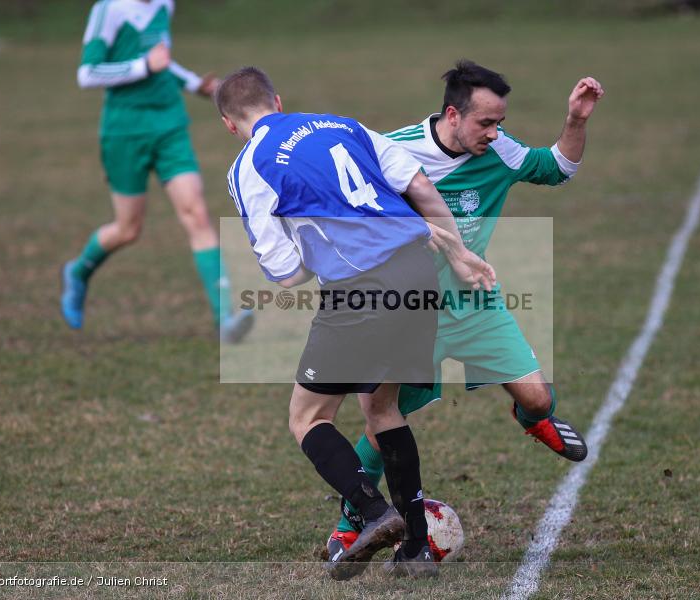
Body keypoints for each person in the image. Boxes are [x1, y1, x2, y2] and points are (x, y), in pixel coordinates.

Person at [215, 66, 496, 579]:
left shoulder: (248, 166)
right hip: (417, 267)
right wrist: (457, 254)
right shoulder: (342, 125)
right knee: (382, 407)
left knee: (308, 417)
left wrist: (311, 249)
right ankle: (414, 550)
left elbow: (284, 274)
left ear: (231, 126)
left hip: (359, 289)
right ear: (278, 101)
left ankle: (372, 512)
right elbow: (419, 186)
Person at [326, 61, 604, 561]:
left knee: (540, 399)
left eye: (499, 122)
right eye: (486, 123)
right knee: (382, 422)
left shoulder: (499, 148)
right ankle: (353, 522)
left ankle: (532, 418)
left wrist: (576, 121)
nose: (495, 133)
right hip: (410, 311)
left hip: (476, 301)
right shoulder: (394, 151)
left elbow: (558, 168)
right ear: (453, 114)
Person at [60, 0, 254, 341]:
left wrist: (195, 84)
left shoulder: (165, 4)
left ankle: (225, 319)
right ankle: (78, 272)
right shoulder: (109, 10)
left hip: (169, 124)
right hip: (125, 130)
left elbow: (162, 60)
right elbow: (87, 73)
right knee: (128, 229)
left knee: (197, 214)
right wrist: (142, 66)